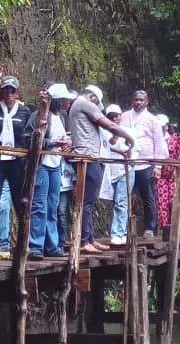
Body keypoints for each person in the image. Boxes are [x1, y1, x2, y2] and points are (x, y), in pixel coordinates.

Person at [69, 85, 134, 254]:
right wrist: (129, 138)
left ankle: (89, 238)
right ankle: (84, 241)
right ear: (93, 98)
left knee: (88, 200)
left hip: (88, 157)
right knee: (87, 201)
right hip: (88, 157)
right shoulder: (85, 104)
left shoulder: (76, 106)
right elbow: (111, 126)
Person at [22, 83, 74, 259]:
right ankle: (35, 246)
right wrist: (52, 143)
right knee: (39, 206)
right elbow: (28, 139)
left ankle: (52, 245)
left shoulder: (62, 117)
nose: (68, 102)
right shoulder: (39, 115)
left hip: (55, 166)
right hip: (42, 165)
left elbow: (65, 137)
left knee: (52, 206)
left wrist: (67, 143)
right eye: (66, 100)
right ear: (58, 100)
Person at [0, 73, 33, 252]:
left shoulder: (25, 111)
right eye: (5, 90)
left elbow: (30, 133)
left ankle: (23, 242)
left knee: (20, 201)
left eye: (12, 91)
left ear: (17, 93)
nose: (9, 94)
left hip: (16, 163)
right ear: (1, 91)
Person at [120, 91, 168, 239]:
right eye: (136, 99)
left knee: (148, 196)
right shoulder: (125, 116)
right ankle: (125, 229)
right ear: (132, 100)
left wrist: (158, 166)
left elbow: (159, 143)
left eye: (141, 100)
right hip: (129, 162)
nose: (138, 102)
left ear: (147, 101)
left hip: (146, 163)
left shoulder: (153, 120)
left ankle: (149, 227)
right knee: (125, 196)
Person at [101, 104, 138, 245]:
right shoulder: (104, 130)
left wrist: (131, 156)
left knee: (121, 202)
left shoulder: (129, 131)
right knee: (116, 202)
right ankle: (120, 232)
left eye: (118, 116)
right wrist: (116, 135)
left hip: (125, 170)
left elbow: (134, 148)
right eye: (112, 116)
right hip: (111, 171)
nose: (116, 119)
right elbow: (108, 144)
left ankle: (118, 234)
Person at [155, 114, 180, 229]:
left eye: (162, 126)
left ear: (167, 126)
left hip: (173, 173)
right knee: (161, 202)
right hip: (160, 174)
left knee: (174, 199)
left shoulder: (174, 138)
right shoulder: (154, 138)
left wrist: (177, 168)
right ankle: (163, 227)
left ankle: (177, 225)